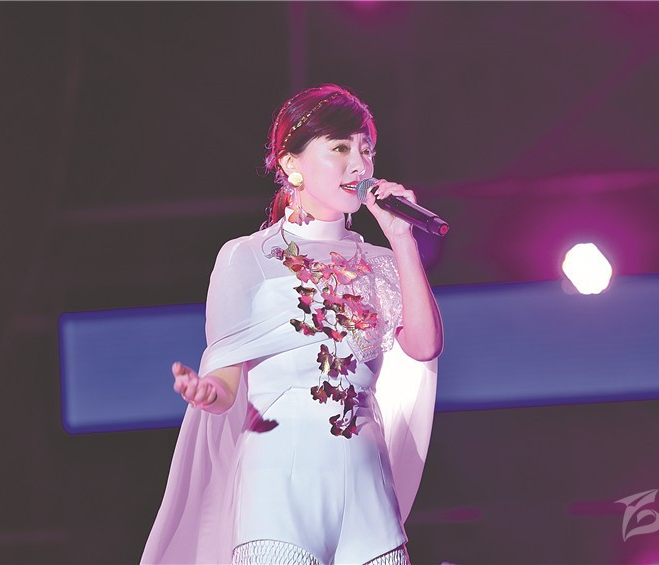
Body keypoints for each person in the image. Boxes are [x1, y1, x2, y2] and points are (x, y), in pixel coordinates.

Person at [141, 84, 443, 565]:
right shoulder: (248, 256)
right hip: (278, 495)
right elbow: (225, 384)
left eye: (366, 150)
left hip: (369, 498)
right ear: (291, 164)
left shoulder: (382, 261)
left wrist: (403, 240)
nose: (359, 165)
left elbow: (425, 347)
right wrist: (206, 392)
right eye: (340, 148)